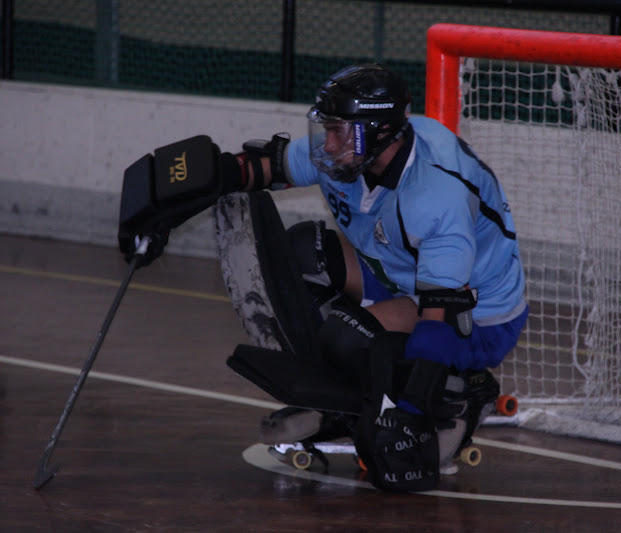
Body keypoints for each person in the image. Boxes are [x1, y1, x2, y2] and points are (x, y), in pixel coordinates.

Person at [123, 63, 527, 490]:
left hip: (477, 315)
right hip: (402, 274)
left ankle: (455, 399)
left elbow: (441, 316)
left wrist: (410, 414)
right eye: (326, 128)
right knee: (303, 254)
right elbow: (261, 167)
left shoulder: (435, 194)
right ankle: (343, 406)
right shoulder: (350, 153)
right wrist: (165, 209)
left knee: (347, 338)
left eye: (338, 132)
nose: (327, 144)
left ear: (379, 132)